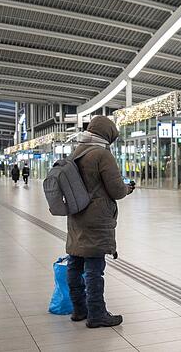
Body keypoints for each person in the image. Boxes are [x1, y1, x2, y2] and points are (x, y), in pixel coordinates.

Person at [66, 116, 134, 328]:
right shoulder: (101, 154)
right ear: (107, 135)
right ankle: (97, 313)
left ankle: (79, 309)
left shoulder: (77, 151)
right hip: (96, 217)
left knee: (75, 262)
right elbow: (116, 190)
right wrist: (127, 188)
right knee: (95, 267)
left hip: (76, 214)